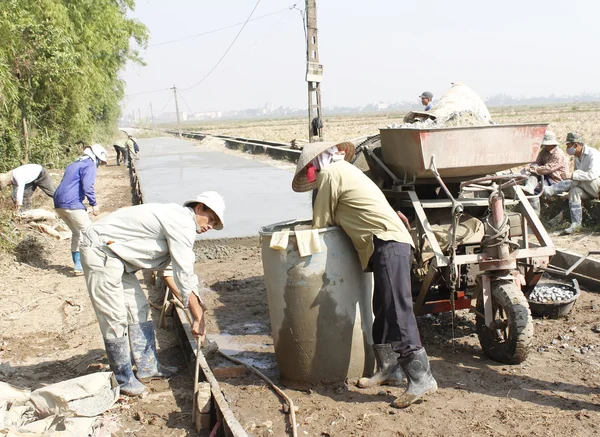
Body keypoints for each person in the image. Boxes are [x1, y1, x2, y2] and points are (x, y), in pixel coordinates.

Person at [292, 142, 437, 409]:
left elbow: (321, 223)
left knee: (396, 309)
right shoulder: (345, 169)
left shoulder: (330, 174)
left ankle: (421, 377)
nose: (312, 173)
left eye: (311, 168)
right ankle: (388, 369)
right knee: (381, 307)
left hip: (387, 242)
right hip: (386, 242)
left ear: (315, 165)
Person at [80, 191, 225, 395]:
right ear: (199, 208)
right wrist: (198, 315)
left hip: (118, 257)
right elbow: (184, 272)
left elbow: (170, 272)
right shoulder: (182, 221)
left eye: (214, 224)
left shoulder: (177, 223)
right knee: (114, 316)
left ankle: (148, 367)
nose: (209, 226)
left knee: (139, 307)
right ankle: (123, 379)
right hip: (101, 251)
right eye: (210, 219)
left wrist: (187, 303)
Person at [54, 144, 108, 275]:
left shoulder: (73, 164)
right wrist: (93, 204)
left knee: (77, 233)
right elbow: (88, 185)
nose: (98, 165)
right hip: (72, 203)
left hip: (58, 203)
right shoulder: (89, 164)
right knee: (90, 232)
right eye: (100, 162)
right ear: (96, 158)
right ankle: (98, 262)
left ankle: (78, 265)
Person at [544, 133, 600, 234]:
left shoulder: (593, 154)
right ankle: (576, 224)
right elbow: (577, 178)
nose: (567, 148)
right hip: (586, 187)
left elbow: (593, 175)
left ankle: (551, 190)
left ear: (576, 145)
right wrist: (570, 189)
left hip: (597, 186)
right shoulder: (577, 157)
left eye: (568, 145)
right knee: (574, 191)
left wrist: (572, 175)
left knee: (576, 176)